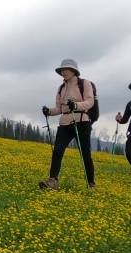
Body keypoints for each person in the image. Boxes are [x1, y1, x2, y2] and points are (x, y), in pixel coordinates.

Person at [39, 58, 95, 190]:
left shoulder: (84, 83)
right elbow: (59, 109)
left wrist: (76, 105)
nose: (64, 72)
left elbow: (90, 102)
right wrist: (49, 112)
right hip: (64, 123)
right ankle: (52, 181)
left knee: (85, 153)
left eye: (66, 69)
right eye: (62, 70)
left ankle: (91, 183)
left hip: (82, 122)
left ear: (74, 71)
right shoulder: (61, 88)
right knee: (57, 151)